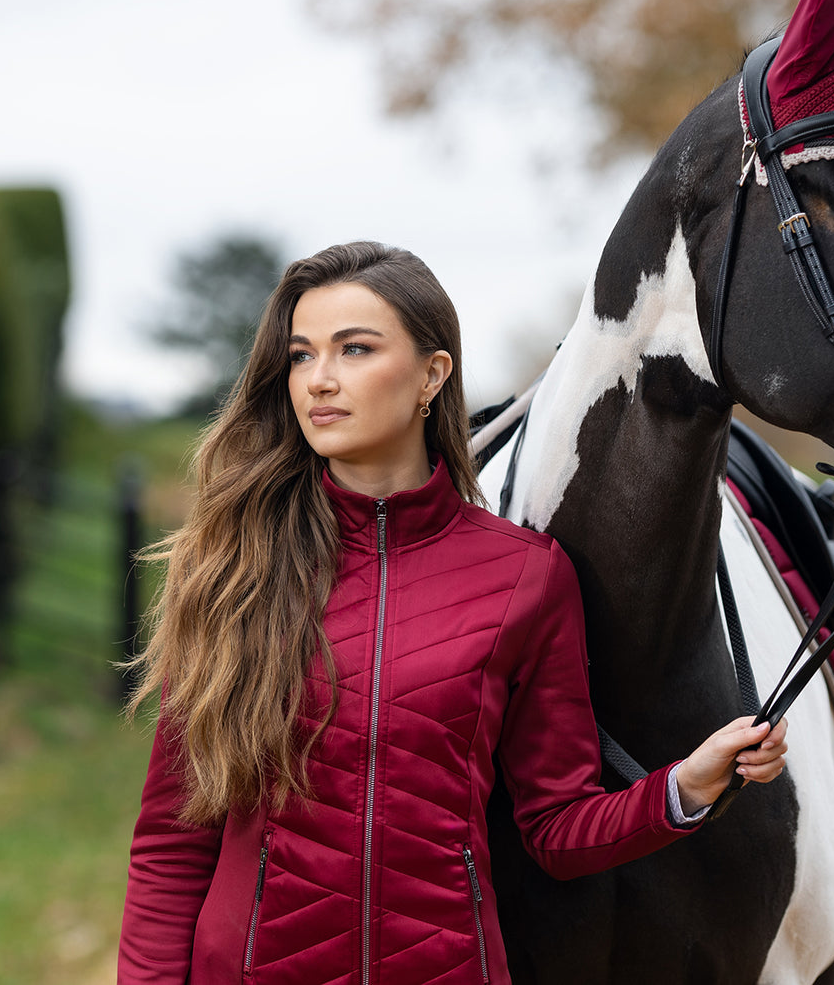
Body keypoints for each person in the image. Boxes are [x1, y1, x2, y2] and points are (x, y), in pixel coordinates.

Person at [118, 240, 787, 985]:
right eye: (302, 355)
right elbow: (173, 844)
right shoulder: (235, 571)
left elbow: (555, 827)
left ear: (432, 375)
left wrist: (684, 786)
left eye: (355, 349)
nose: (320, 381)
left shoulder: (525, 579)